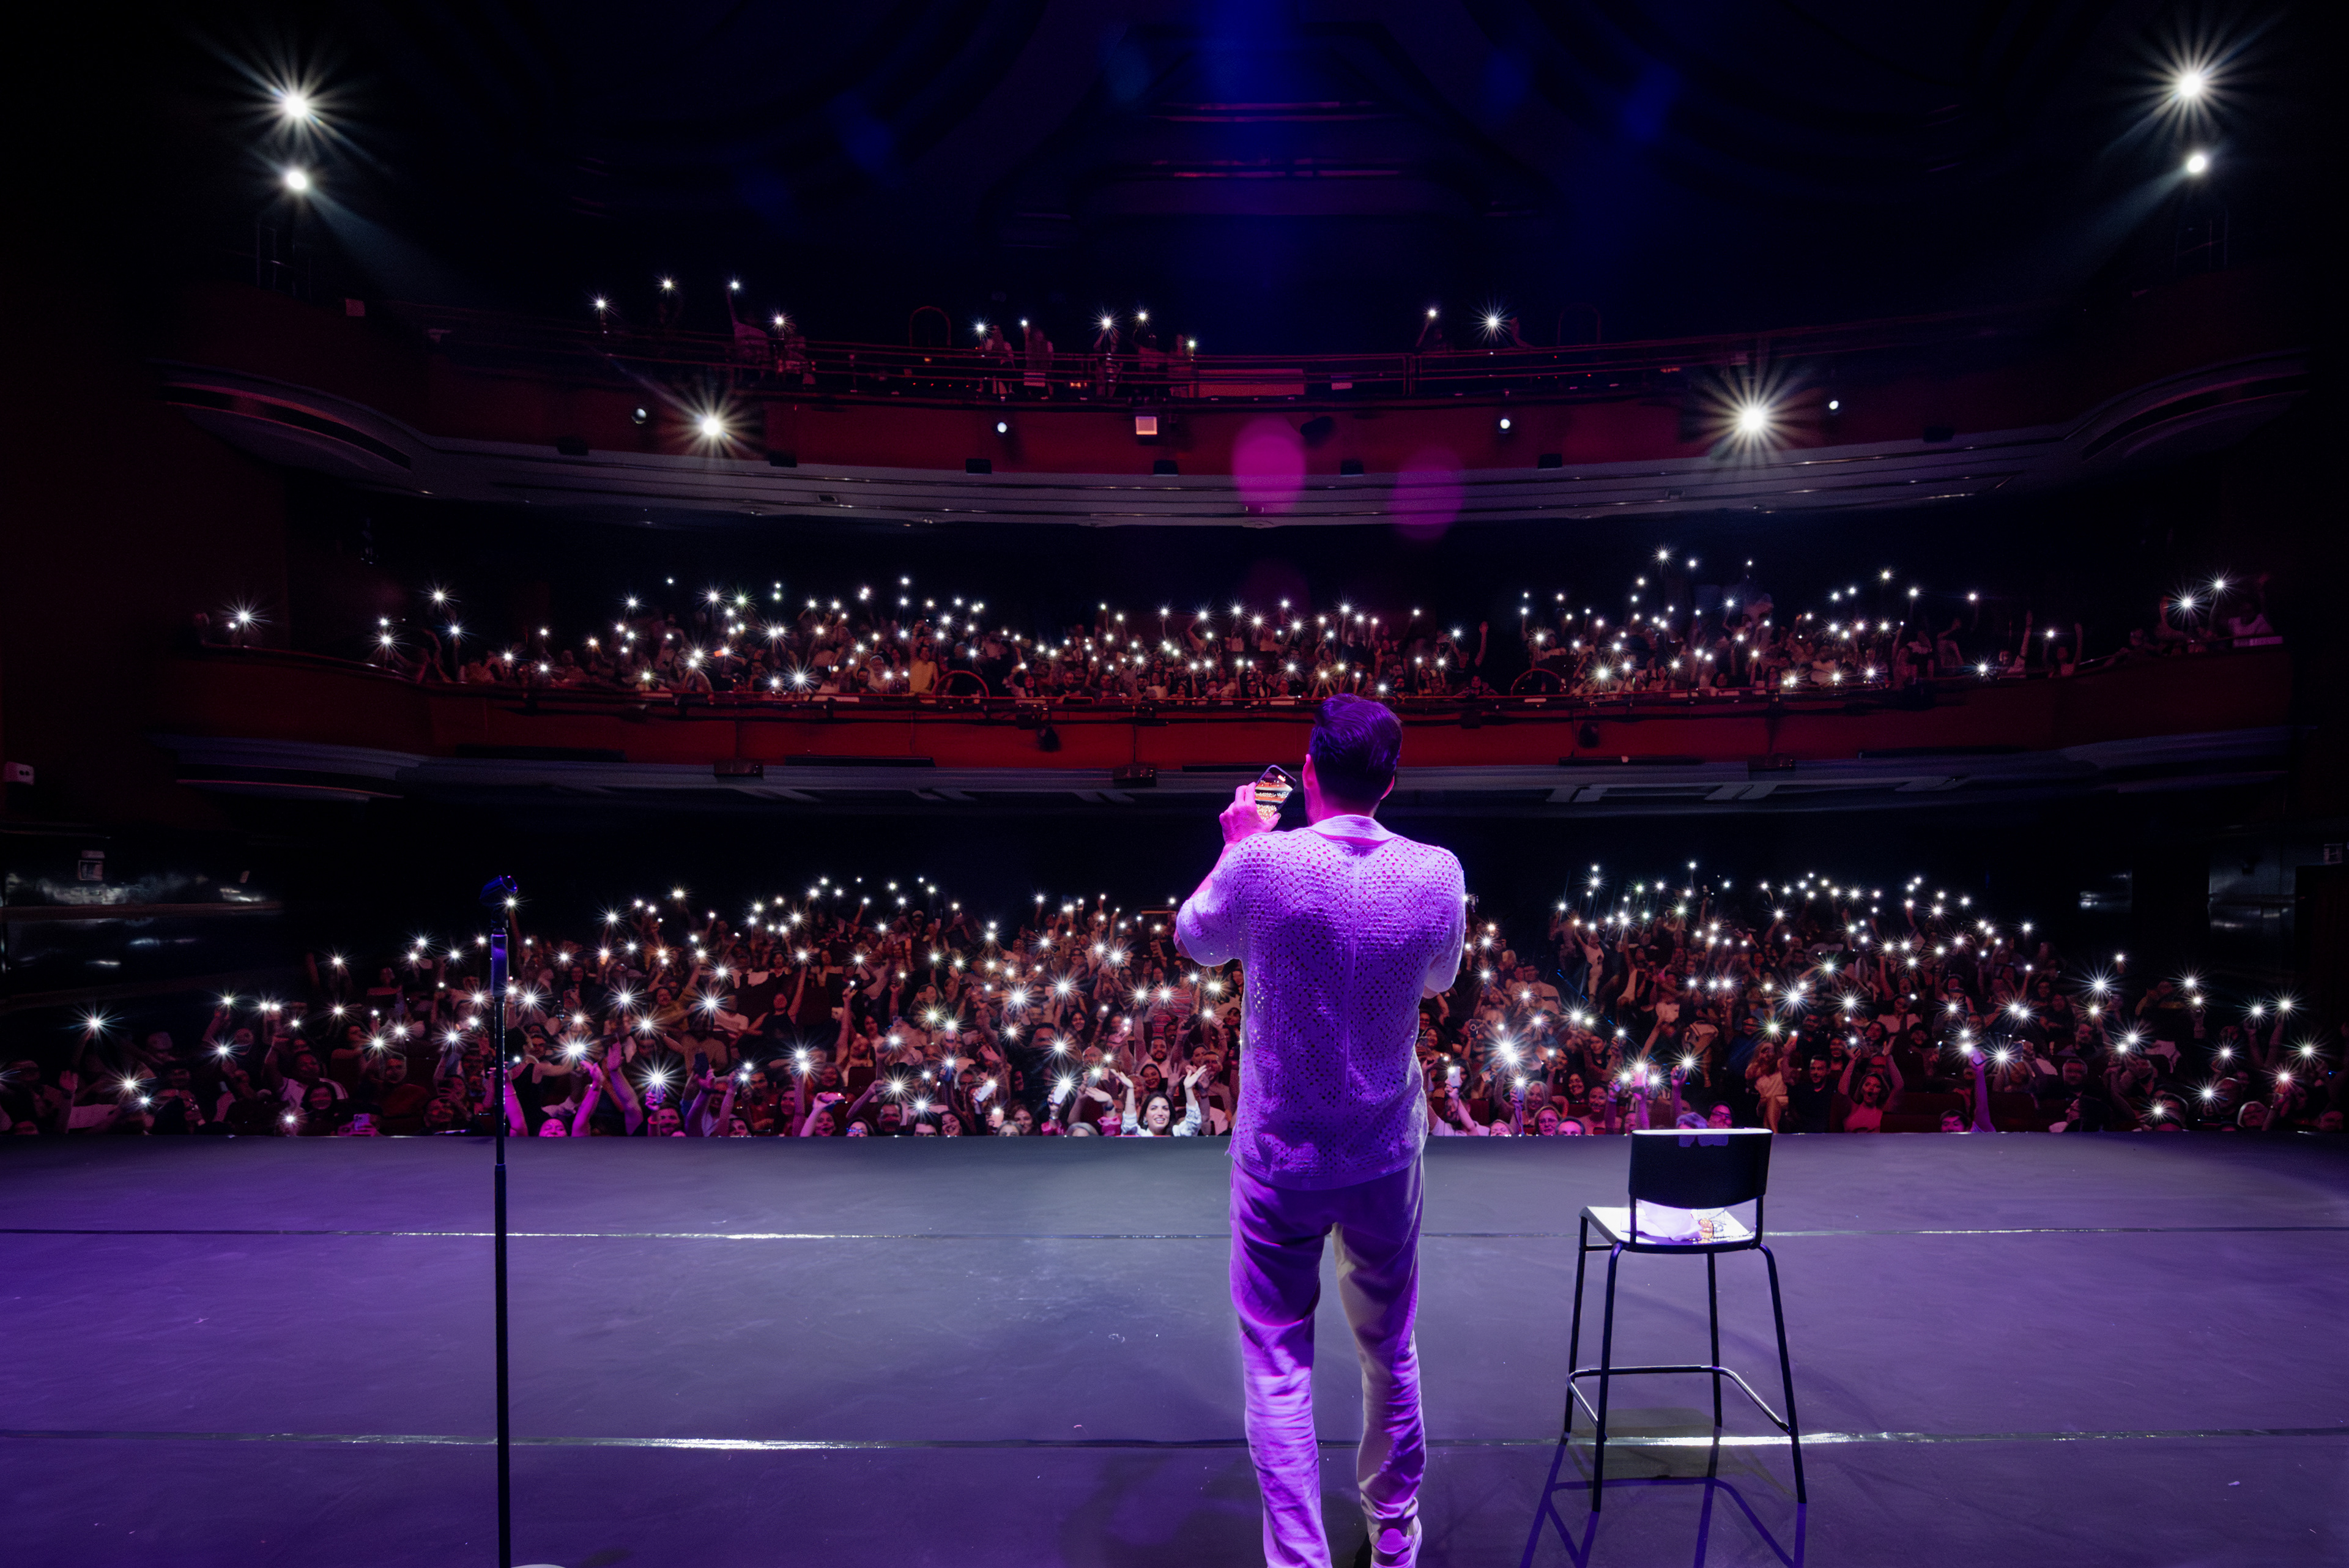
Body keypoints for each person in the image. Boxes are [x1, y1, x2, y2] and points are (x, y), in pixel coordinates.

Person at [1176, 694, 1464, 1568]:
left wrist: (1237, 843)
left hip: (1278, 1159)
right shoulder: (1438, 872)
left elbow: (1195, 941)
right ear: (1390, 780)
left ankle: (1299, 1559)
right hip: (1382, 1152)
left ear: (1305, 775)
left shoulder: (1262, 861)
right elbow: (1438, 977)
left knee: (1277, 1362)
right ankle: (1395, 1528)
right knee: (1390, 1346)